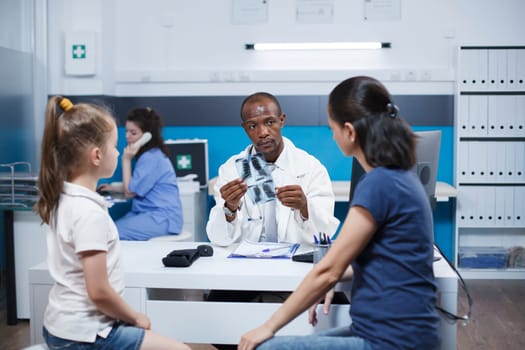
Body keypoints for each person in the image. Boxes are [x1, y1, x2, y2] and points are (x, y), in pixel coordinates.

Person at [238, 76, 441, 350]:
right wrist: (331, 277)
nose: (332, 136)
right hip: (384, 329)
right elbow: (375, 263)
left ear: (349, 131)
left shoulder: (378, 183)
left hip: (391, 341)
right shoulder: (400, 178)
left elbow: (328, 270)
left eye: (333, 128)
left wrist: (267, 326)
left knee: (265, 346)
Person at [36, 96, 190, 349]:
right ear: (97, 155)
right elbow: (98, 292)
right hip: (85, 334)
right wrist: (135, 316)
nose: (120, 152)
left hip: (61, 326)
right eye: (115, 146)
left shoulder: (62, 199)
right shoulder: (89, 213)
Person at [206, 92, 340, 247]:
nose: (263, 133)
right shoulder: (232, 170)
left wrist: (304, 207)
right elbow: (218, 238)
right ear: (245, 128)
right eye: (253, 126)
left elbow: (325, 233)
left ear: (281, 120)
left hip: (294, 262)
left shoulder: (310, 168)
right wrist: (230, 208)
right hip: (246, 263)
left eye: (269, 122)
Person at [99, 107, 183, 240]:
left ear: (147, 136)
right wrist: (110, 188)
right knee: (110, 228)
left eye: (133, 133)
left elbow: (130, 192)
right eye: (126, 131)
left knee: (112, 233)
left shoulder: (151, 158)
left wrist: (126, 160)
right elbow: (136, 186)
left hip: (162, 218)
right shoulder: (151, 155)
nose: (127, 136)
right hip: (149, 214)